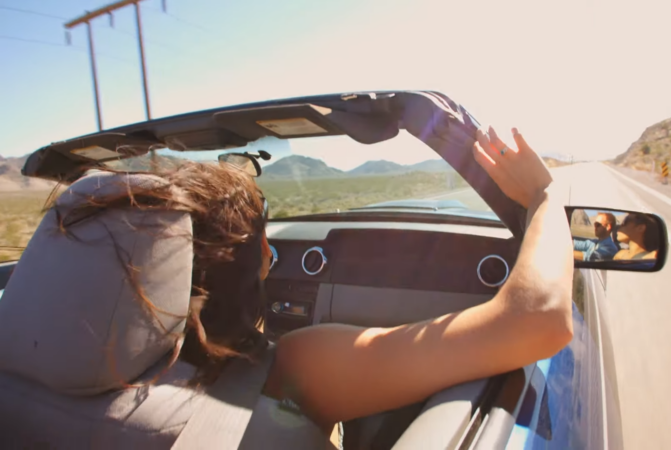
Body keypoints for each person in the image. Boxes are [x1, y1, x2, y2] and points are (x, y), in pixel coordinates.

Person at [1, 126, 573, 443]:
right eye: (263, 248)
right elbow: (537, 320)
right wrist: (546, 198)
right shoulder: (292, 370)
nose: (273, 257)